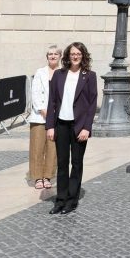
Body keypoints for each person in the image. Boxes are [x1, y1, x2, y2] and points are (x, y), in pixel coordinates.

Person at [45, 42, 97, 215]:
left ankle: (72, 200)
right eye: (72, 54)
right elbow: (52, 102)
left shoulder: (89, 76)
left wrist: (87, 128)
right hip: (61, 124)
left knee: (76, 163)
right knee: (61, 164)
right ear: (67, 56)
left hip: (79, 126)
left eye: (79, 54)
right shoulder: (59, 75)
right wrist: (50, 126)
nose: (75, 56)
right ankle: (60, 200)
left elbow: (92, 104)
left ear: (83, 56)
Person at [28, 45, 60, 190]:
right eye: (50, 54)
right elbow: (34, 92)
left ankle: (48, 176)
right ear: (47, 57)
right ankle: (37, 177)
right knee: (37, 147)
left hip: (57, 116)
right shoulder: (40, 72)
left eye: (55, 54)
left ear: (60, 56)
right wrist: (42, 109)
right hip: (39, 116)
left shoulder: (63, 72)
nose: (52, 56)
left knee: (53, 147)